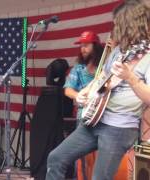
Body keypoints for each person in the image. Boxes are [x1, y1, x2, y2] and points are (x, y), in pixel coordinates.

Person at [46, 1, 150, 180]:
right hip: (94, 120)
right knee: (56, 158)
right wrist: (86, 91)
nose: (114, 28)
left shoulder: (147, 57)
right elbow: (102, 77)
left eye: (118, 24)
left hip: (120, 127)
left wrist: (130, 78)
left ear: (130, 25)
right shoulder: (118, 51)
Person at [63, 31, 104, 180]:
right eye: (81, 46)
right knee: (81, 158)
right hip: (84, 116)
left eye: (86, 45)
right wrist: (77, 96)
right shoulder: (79, 68)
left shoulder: (106, 66)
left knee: (102, 157)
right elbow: (67, 89)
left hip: (104, 117)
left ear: (96, 46)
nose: (83, 49)